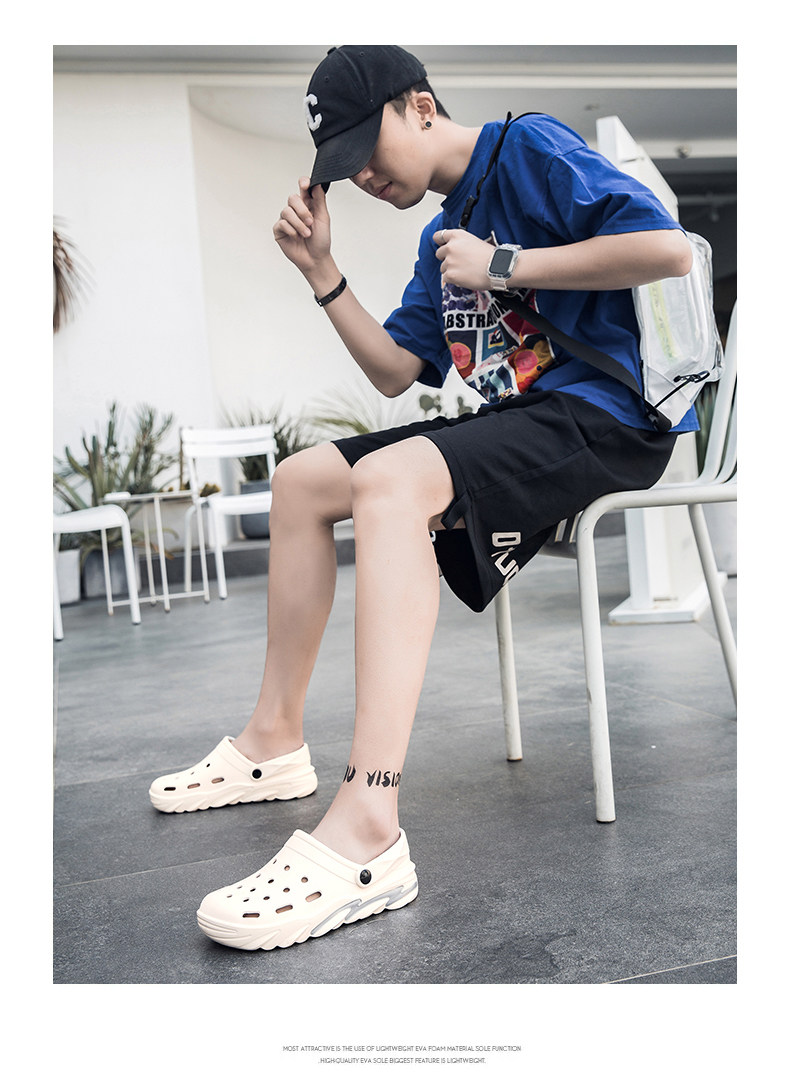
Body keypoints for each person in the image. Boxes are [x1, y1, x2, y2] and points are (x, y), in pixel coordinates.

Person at [150, 45, 693, 952]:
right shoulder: (439, 236)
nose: (364, 175)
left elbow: (667, 249)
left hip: (610, 416)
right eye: (346, 165)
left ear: (421, 106)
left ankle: (369, 822)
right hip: (530, 418)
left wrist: (503, 263)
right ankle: (273, 741)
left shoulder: (527, 150)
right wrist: (322, 273)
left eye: (369, 147)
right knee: (302, 479)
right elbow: (398, 371)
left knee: (391, 480)